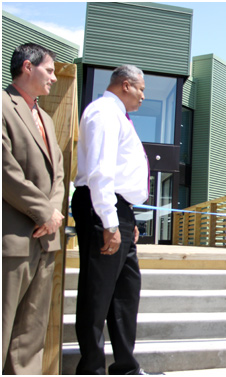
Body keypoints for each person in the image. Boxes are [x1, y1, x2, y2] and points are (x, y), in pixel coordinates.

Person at [72, 65, 156, 374]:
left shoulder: (118, 115)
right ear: (125, 85)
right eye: (141, 89)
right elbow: (100, 171)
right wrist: (109, 221)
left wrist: (125, 218)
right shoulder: (104, 113)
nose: (144, 96)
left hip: (118, 208)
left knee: (125, 291)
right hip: (101, 206)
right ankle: (91, 368)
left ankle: (125, 367)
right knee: (98, 291)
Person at [2, 43, 65, 374]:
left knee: (30, 335)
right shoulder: (2, 105)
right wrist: (44, 212)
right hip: (12, 241)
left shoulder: (48, 120)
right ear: (28, 67)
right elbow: (4, 168)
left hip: (45, 241)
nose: (54, 78)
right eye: (50, 70)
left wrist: (53, 215)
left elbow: (59, 174)